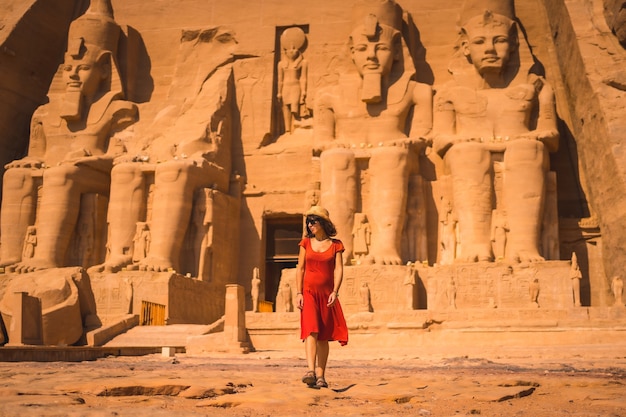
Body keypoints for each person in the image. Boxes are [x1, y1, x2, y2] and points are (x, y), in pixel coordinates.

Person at [433, 0, 559, 263]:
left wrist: (530, 137)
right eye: (480, 42)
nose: (490, 49)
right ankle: (475, 244)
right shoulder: (450, 92)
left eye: (499, 40)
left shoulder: (537, 86)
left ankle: (523, 245)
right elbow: (441, 139)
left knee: (527, 150)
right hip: (468, 152)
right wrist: (462, 140)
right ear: (465, 47)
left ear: (513, 45)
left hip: (521, 150)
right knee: (468, 153)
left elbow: (550, 134)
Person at [314, 0, 432, 265]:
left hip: (395, 155)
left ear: (397, 52)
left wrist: (403, 143)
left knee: (390, 155)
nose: (370, 56)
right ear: (351, 52)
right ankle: (338, 249)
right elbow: (321, 140)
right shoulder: (328, 95)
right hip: (346, 152)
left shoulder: (416, 90)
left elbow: (422, 135)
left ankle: (385, 247)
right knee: (336, 158)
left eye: (380, 48)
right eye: (362, 48)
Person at [296, 205, 348, 388]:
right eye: (308, 222)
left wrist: (335, 291)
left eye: (314, 221)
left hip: (326, 295)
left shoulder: (336, 245)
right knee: (311, 330)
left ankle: (320, 376)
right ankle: (310, 371)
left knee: (323, 336)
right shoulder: (305, 243)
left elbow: (339, 269)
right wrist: (299, 293)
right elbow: (300, 268)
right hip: (309, 293)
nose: (310, 225)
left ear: (323, 223)